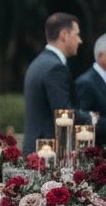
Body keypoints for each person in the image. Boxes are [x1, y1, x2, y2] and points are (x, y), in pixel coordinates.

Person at [22, 12, 89, 153]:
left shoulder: (38, 62)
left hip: (34, 148)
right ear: (64, 35)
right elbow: (64, 114)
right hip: (48, 153)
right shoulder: (55, 68)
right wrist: (92, 118)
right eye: (77, 35)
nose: (80, 41)